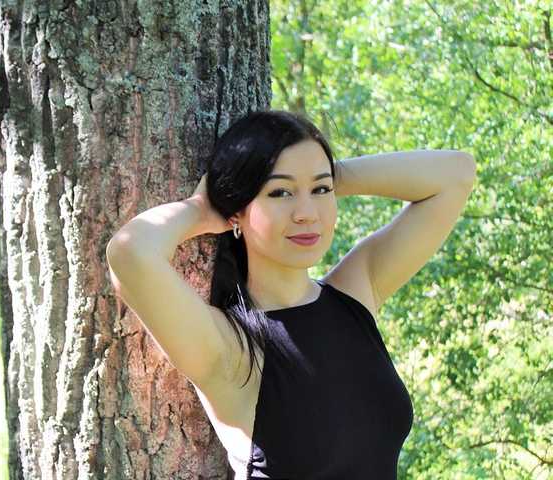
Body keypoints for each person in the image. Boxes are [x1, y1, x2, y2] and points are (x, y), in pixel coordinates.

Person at [107, 109, 474, 478]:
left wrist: (319, 175)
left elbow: (456, 173)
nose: (306, 213)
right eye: (279, 192)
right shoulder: (230, 348)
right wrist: (202, 209)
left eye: (321, 191)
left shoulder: (354, 295)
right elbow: (130, 252)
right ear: (237, 210)